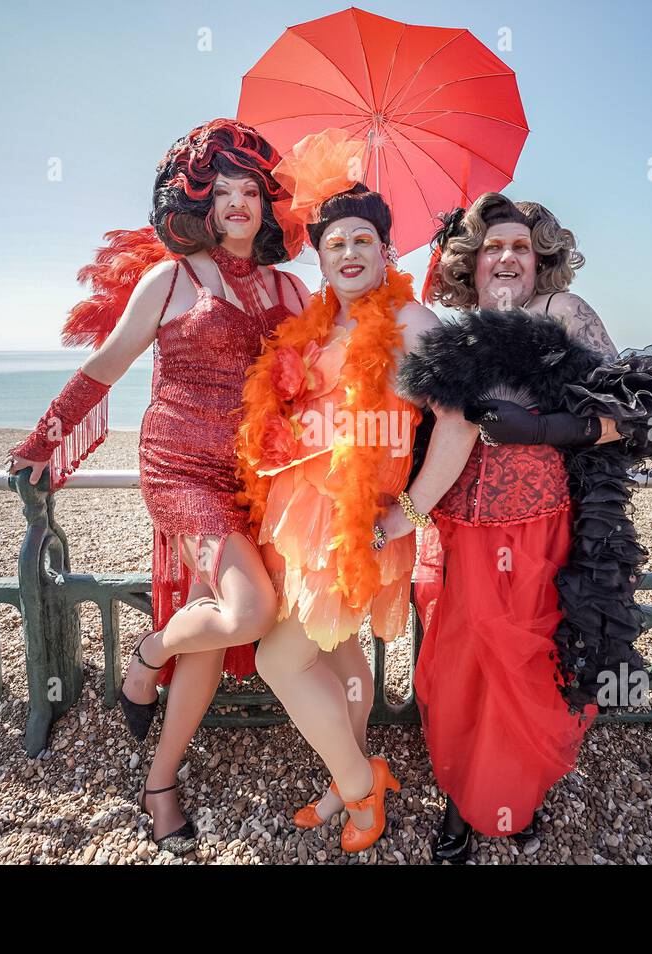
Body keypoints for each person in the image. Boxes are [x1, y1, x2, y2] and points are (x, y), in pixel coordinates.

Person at [6, 119, 307, 855]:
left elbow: (327, 382)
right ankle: (145, 660)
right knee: (250, 608)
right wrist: (45, 437)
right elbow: (108, 364)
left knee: (211, 624)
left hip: (257, 475)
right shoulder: (169, 278)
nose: (239, 203)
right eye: (223, 189)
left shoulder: (293, 289)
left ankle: (160, 781)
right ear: (198, 199)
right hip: (180, 470)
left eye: (252, 191)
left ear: (268, 206)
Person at [400, 192, 652, 862]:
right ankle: (462, 792)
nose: (506, 257)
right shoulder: (454, 329)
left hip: (538, 529)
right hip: (451, 529)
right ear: (469, 262)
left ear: (541, 262)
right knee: (456, 666)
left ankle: (512, 794)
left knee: (526, 668)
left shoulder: (561, 313)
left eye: (520, 248)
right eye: (492, 247)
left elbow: (646, 413)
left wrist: (542, 428)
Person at [236, 130, 480, 854]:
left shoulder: (410, 322)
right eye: (335, 242)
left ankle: (358, 789)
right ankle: (349, 769)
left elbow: (460, 419)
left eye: (363, 240)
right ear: (320, 257)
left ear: (385, 251)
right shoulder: (314, 326)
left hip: (357, 526)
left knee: (280, 659)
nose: (349, 253)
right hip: (297, 517)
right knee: (340, 664)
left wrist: (412, 513)